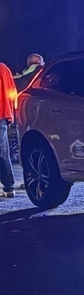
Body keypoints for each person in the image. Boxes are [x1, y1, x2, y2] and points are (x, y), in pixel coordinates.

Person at [0, 61, 18, 197]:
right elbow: (12, 91)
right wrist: (11, 113)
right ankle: (9, 187)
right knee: (3, 152)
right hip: (3, 115)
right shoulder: (4, 68)